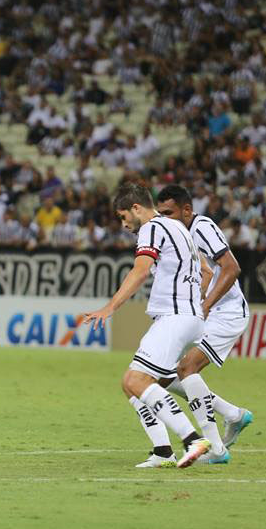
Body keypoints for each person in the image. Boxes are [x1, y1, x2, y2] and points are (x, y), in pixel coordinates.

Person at [83, 182, 213, 469]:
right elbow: (206, 270)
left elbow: (141, 270)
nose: (123, 223)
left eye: (123, 216)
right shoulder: (179, 227)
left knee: (136, 380)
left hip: (175, 317)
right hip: (189, 317)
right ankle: (163, 452)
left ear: (137, 208)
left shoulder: (151, 228)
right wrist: (192, 301)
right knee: (132, 385)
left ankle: (193, 439)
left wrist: (110, 307)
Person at [150, 185, 254, 461]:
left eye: (169, 213)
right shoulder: (175, 236)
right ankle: (233, 414)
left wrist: (206, 305)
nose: (164, 219)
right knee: (162, 374)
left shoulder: (202, 227)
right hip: (200, 313)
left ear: (187, 210)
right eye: (160, 214)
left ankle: (216, 449)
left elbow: (232, 268)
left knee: (187, 367)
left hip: (226, 312)